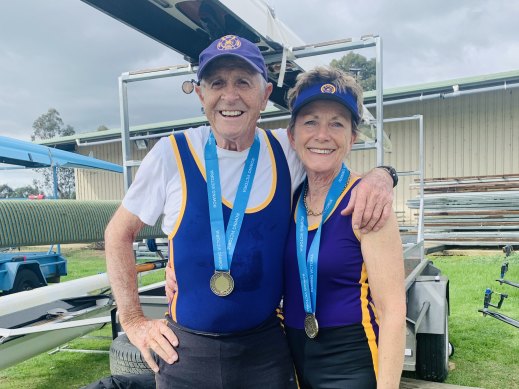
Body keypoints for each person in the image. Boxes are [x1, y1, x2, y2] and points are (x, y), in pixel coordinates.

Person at [105, 35, 395, 388]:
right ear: (201, 94)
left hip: (266, 353)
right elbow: (118, 233)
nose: (230, 95)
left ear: (264, 93)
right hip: (185, 352)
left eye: (243, 82)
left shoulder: (285, 153)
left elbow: (332, 162)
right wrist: (133, 320)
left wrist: (383, 176)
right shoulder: (171, 154)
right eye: (217, 83)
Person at [281, 67, 406, 388]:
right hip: (291, 358)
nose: (322, 134)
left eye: (336, 123)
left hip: (350, 361)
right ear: (292, 135)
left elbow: (393, 312)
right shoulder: (285, 199)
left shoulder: (367, 202)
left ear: (352, 137)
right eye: (311, 121)